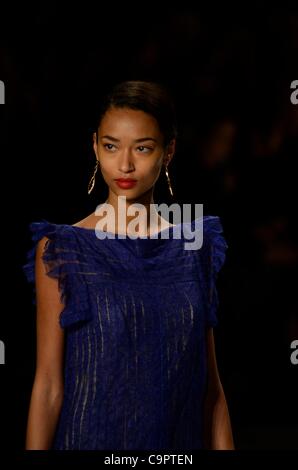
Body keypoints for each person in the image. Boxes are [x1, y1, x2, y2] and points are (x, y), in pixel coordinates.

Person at [23, 80, 234, 450]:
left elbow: (211, 390)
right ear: (94, 147)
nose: (125, 164)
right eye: (111, 146)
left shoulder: (194, 248)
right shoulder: (64, 249)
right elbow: (49, 385)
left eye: (143, 148)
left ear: (168, 152)